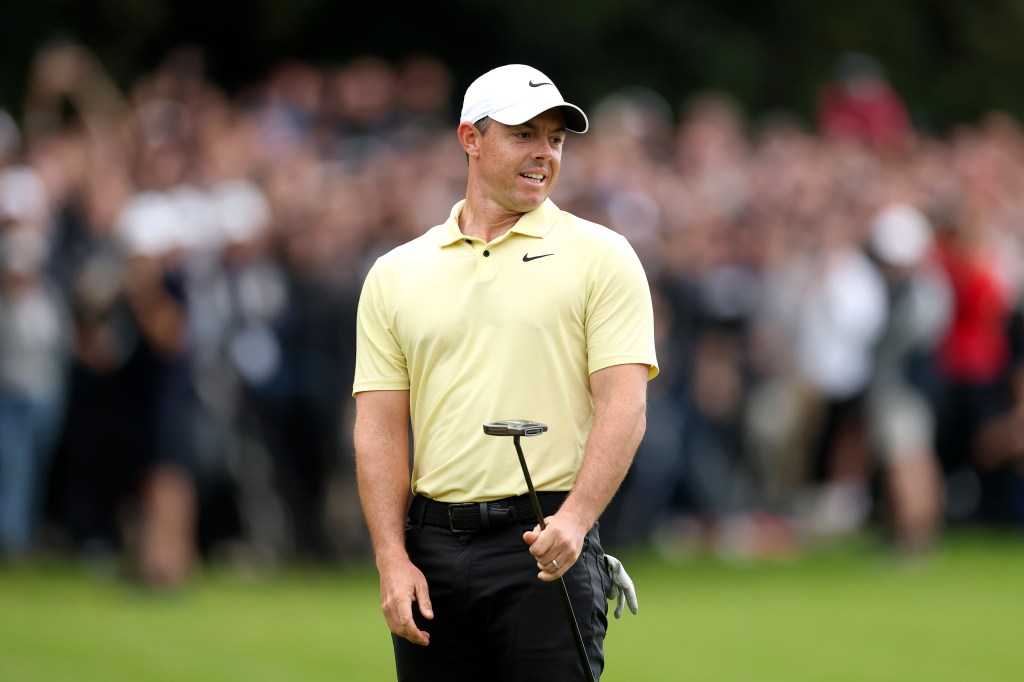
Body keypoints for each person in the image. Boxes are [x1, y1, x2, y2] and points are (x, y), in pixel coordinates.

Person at [352, 64, 658, 680]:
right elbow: (379, 427)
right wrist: (391, 557)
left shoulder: (601, 256)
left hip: (544, 544)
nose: (545, 153)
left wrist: (575, 521)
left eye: (556, 139)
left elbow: (625, 406)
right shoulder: (395, 273)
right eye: (525, 135)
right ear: (471, 138)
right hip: (431, 548)